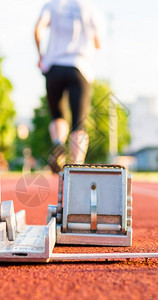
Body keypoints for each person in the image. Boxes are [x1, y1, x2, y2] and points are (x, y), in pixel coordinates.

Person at [35, 0, 101, 173]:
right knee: (78, 123)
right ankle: (76, 167)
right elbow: (98, 42)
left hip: (54, 66)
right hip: (80, 67)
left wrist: (41, 55)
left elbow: (38, 29)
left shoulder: (52, 5)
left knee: (57, 116)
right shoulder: (88, 8)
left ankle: (58, 144)